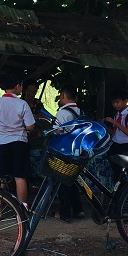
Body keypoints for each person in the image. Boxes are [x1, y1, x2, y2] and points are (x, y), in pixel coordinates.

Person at [0, 73, 36, 204]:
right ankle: (21, 211)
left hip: (1, 143)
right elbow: (30, 127)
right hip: (19, 143)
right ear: (17, 86)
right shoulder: (22, 104)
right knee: (20, 177)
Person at [53, 84, 85, 223]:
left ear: (63, 96)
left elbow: (57, 132)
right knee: (73, 180)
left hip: (65, 150)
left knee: (63, 182)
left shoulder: (62, 112)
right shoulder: (80, 111)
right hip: (77, 151)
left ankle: (64, 212)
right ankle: (78, 209)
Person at [103, 88, 128, 182]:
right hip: (116, 145)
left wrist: (114, 122)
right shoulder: (118, 114)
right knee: (115, 171)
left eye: (117, 102)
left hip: (125, 147)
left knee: (123, 173)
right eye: (113, 102)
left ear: (125, 101)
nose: (115, 105)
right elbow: (116, 132)